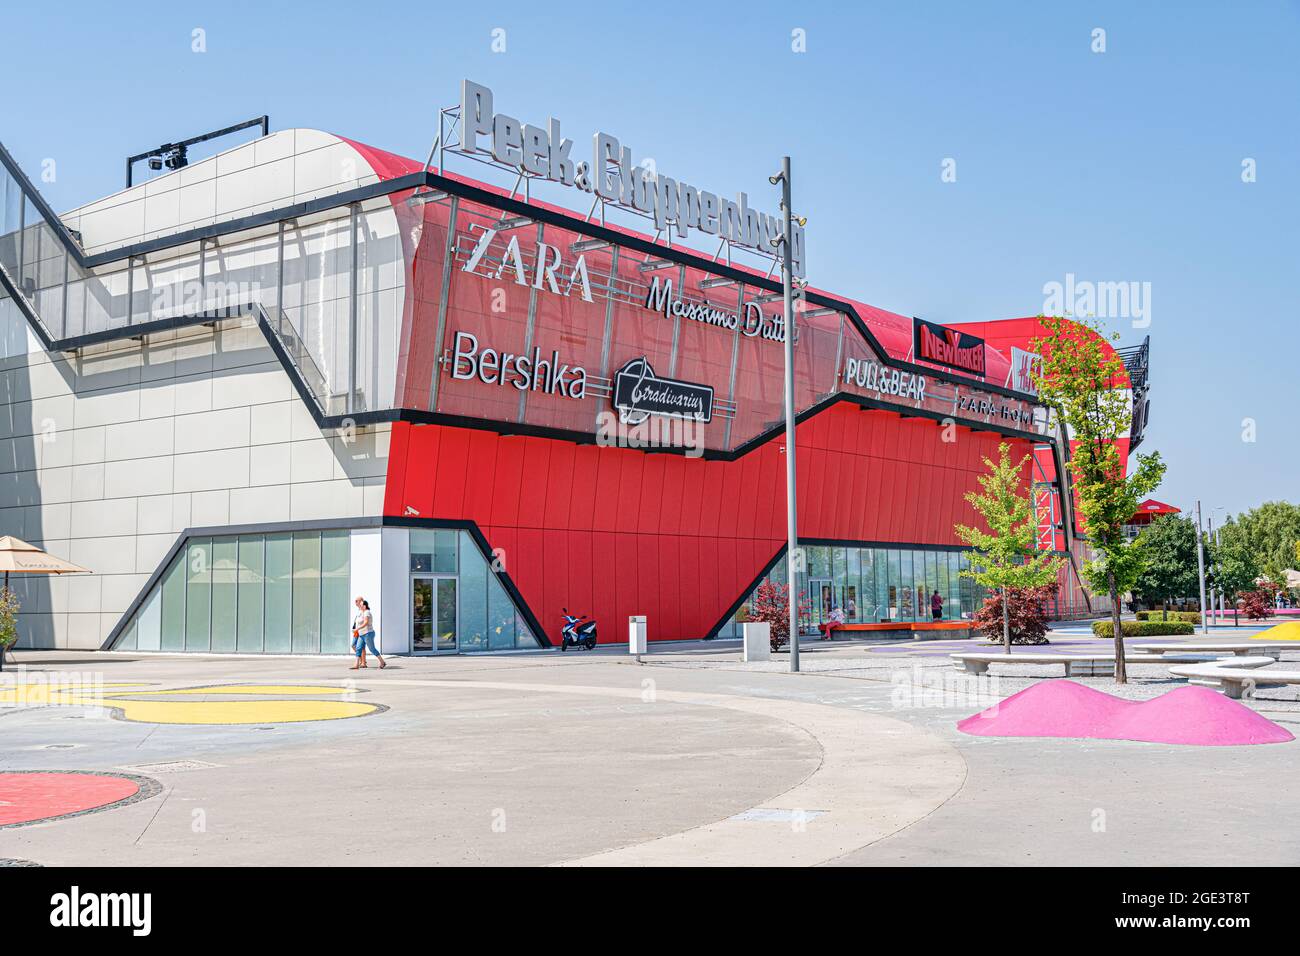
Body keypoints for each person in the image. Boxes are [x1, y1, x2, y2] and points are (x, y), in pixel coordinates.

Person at [350, 597, 385, 670]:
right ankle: (356, 664)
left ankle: (382, 662)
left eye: (362, 605)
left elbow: (366, 623)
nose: (360, 606)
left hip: (368, 634)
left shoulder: (367, 612)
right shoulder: (361, 612)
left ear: (365, 606)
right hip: (361, 634)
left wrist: (357, 629)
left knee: (372, 649)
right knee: (358, 648)